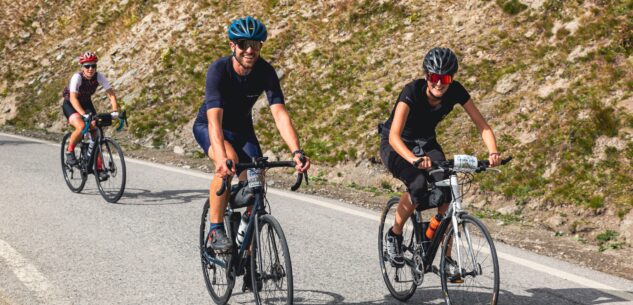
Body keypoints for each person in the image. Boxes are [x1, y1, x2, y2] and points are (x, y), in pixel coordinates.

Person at [193, 16, 310, 254]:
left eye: (255, 45)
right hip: (210, 126)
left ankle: (246, 232)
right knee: (229, 163)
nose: (249, 50)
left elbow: (279, 114)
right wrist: (221, 160)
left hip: (243, 129)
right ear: (232, 45)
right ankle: (215, 229)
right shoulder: (218, 70)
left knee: (258, 177)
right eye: (244, 43)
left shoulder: (265, 72)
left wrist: (296, 152)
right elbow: (215, 122)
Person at [379, 47, 501, 270]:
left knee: (447, 190)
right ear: (427, 76)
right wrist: (413, 159)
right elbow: (395, 136)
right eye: (434, 77)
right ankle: (394, 236)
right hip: (397, 145)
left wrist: (492, 152)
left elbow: (482, 125)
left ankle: (445, 257)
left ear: (451, 78)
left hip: (426, 142)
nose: (439, 83)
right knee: (417, 183)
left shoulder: (455, 91)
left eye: (444, 78)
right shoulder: (411, 92)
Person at [62, 51, 119, 181]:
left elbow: (110, 93)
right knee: (82, 126)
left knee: (96, 132)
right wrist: (83, 114)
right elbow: (73, 98)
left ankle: (97, 167)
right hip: (71, 103)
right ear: (82, 67)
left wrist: (115, 110)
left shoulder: (99, 76)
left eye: (93, 66)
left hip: (86, 102)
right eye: (87, 66)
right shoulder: (77, 77)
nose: (90, 69)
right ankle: (69, 151)